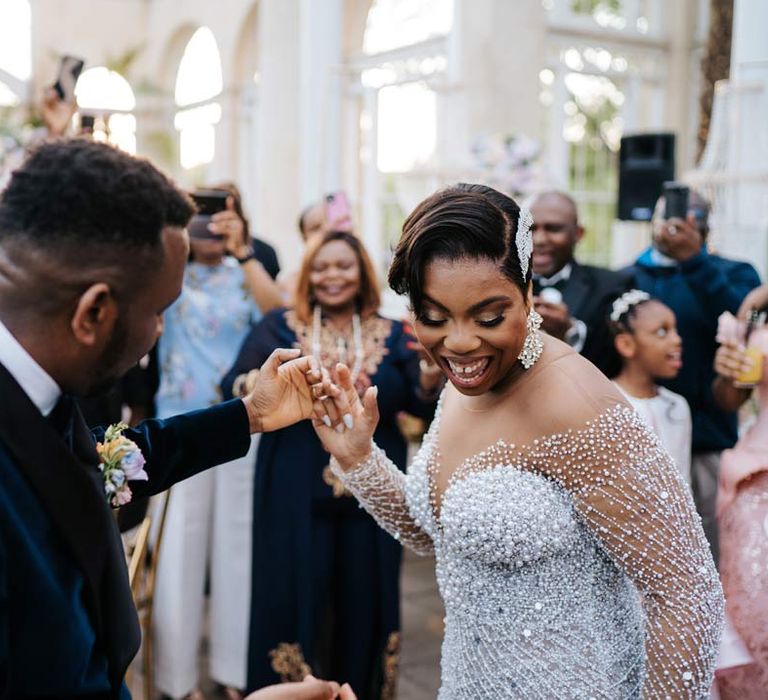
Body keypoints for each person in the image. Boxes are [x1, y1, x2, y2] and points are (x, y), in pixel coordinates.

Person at [311, 183, 723, 698]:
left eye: (488, 318)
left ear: (529, 294)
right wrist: (358, 458)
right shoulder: (465, 381)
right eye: (434, 318)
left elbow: (685, 592)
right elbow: (435, 535)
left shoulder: (575, 404)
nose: (459, 343)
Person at [0, 139, 346, 700]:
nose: (160, 331)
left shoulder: (39, 389)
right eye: (159, 312)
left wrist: (248, 416)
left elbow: (97, 459)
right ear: (94, 313)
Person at [221, 230, 442, 698]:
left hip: (371, 492)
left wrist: (427, 375)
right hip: (292, 487)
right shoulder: (279, 328)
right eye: (321, 267)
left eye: (343, 265)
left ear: (362, 271)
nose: (331, 275)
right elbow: (233, 386)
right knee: (290, 589)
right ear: (307, 274)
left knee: (366, 597)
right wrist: (269, 386)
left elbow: (424, 408)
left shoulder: (397, 331)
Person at [152, 185, 282, 700]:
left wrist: (243, 250)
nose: (208, 223)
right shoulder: (168, 270)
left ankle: (234, 674)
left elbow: (281, 315)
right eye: (198, 213)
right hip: (176, 422)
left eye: (219, 213)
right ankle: (176, 682)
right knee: (178, 551)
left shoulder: (249, 272)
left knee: (238, 548)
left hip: (242, 421)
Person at [628, 190, 761, 564]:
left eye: (692, 218)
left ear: (705, 228)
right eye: (666, 214)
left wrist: (695, 263)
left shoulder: (735, 274)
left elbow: (746, 330)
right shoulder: (629, 275)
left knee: (706, 558)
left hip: (707, 441)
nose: (675, 225)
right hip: (642, 445)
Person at [710, 284, 768, 698]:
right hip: (756, 476)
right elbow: (728, 398)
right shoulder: (760, 307)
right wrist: (729, 365)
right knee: (751, 605)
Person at [529, 190, 629, 369]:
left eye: (553, 229)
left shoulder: (612, 287)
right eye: (531, 229)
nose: (540, 239)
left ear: (578, 234)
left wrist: (570, 333)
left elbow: (615, 364)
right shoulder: (504, 285)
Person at [604, 289, 691, 482]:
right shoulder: (607, 404)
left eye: (675, 330)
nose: (677, 340)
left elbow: (684, 478)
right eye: (662, 332)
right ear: (626, 344)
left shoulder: (677, 405)